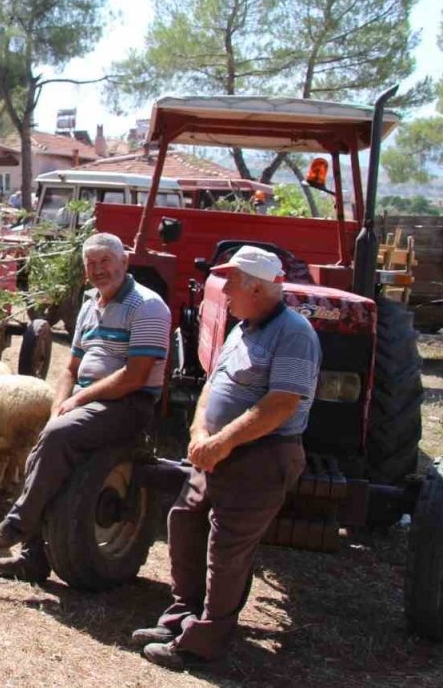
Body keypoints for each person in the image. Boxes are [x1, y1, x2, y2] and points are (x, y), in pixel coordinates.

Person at [135, 246, 318, 672]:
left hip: (260, 456)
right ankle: (181, 619)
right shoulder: (242, 328)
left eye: (232, 282)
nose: (224, 290)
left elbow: (281, 404)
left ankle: (203, 644)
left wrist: (222, 443)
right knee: (185, 522)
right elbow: (212, 386)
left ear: (256, 287)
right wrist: (200, 433)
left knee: (227, 550)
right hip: (216, 451)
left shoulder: (295, 333)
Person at [0, 232, 171, 581]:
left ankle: (18, 524)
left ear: (124, 262)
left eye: (105, 261)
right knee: (47, 439)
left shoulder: (148, 305)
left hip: (129, 403)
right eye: (91, 264)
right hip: (91, 401)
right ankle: (33, 558)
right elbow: (70, 368)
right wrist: (58, 406)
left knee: (59, 436)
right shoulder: (89, 304)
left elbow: (136, 375)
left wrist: (79, 399)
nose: (98, 270)